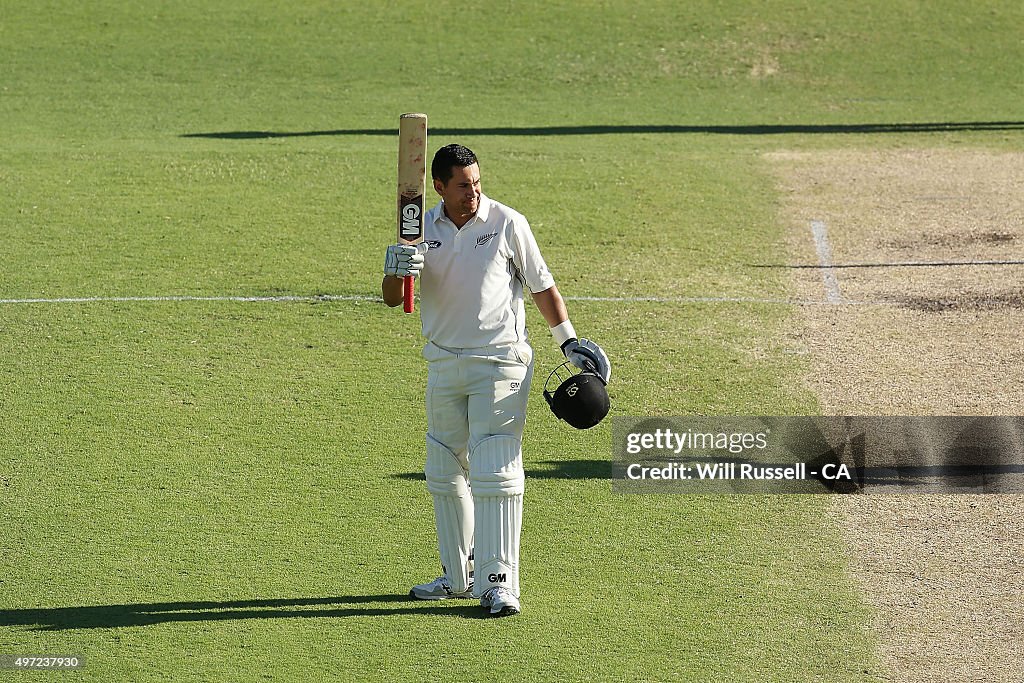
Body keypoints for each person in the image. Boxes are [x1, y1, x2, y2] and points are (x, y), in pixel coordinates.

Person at [382, 144, 610, 617]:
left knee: (496, 470)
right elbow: (392, 299)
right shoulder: (420, 229)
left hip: (501, 363)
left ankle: (500, 583)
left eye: (477, 182)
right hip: (443, 363)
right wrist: (394, 269)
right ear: (439, 186)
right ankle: (457, 576)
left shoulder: (507, 222)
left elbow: (541, 284)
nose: (474, 193)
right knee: (444, 471)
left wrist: (567, 342)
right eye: (463, 185)